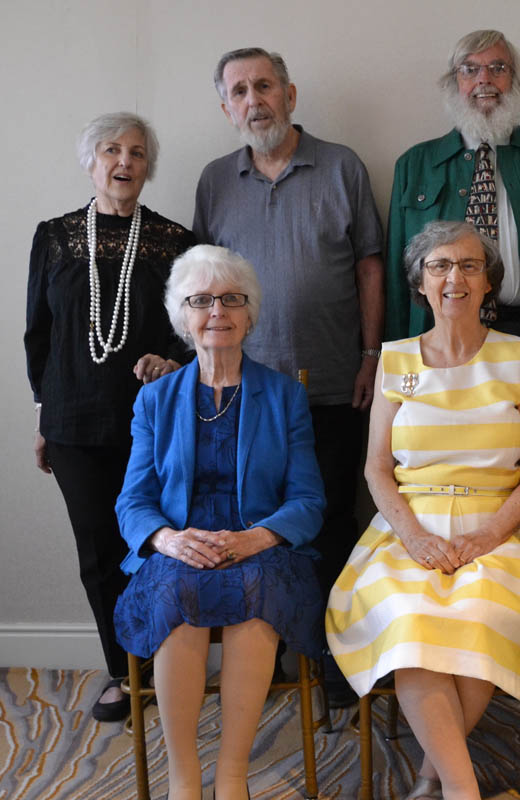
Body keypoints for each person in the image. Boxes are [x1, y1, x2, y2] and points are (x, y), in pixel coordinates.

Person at [328, 221, 520, 800]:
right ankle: (462, 789)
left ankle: (430, 778)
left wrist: (489, 535)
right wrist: (412, 537)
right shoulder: (395, 361)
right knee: (412, 622)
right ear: (420, 282)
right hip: (406, 529)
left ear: (490, 282)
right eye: (439, 266)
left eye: (468, 265)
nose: (454, 278)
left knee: (481, 615)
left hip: (500, 529)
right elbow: (376, 468)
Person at [193, 47, 385, 704]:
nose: (255, 99)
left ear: (290, 93)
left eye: (265, 85)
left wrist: (370, 357)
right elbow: (204, 287)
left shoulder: (341, 167)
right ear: (226, 106)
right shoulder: (215, 181)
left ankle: (336, 666)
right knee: (254, 525)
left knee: (331, 523)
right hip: (241, 397)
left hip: (331, 386)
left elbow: (369, 268)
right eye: (240, 90)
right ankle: (268, 656)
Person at [114, 245, 326, 800]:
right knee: (177, 588)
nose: (217, 311)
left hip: (261, 540)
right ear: (182, 316)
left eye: (232, 299)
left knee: (255, 588)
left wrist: (255, 538)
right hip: (179, 542)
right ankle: (184, 781)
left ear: (250, 314)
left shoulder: (285, 396)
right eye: (201, 300)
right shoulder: (155, 401)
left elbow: (307, 499)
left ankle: (232, 777)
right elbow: (133, 501)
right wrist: (167, 538)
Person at [384, 29, 520, 600]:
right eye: (470, 71)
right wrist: (396, 361)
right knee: (458, 478)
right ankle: (450, 611)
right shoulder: (417, 165)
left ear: (515, 83)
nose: (484, 82)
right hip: (445, 349)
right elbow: (406, 270)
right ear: (453, 84)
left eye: (497, 70)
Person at [24, 112, 194, 721]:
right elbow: (37, 336)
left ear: (149, 167)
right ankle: (125, 671)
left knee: (155, 545)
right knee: (97, 552)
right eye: (112, 150)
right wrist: (44, 418)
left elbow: (196, 324)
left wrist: (172, 360)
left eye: (138, 153)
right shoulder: (54, 236)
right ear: (90, 161)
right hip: (73, 425)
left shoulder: (176, 241)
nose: (125, 162)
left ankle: (166, 663)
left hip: (155, 423)